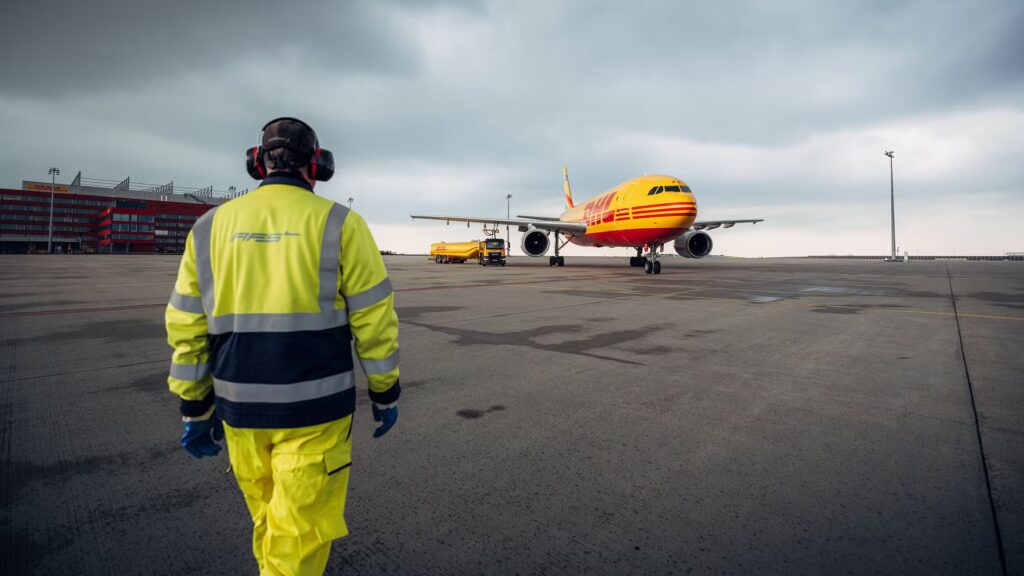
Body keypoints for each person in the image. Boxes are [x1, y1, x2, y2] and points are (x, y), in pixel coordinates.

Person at [165, 117, 401, 575]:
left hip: (239, 413)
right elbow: (375, 322)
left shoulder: (208, 227)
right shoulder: (341, 224)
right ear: (319, 167)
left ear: (257, 163)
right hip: (316, 414)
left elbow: (186, 326)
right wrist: (385, 391)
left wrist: (194, 408)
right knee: (297, 538)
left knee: (270, 521)